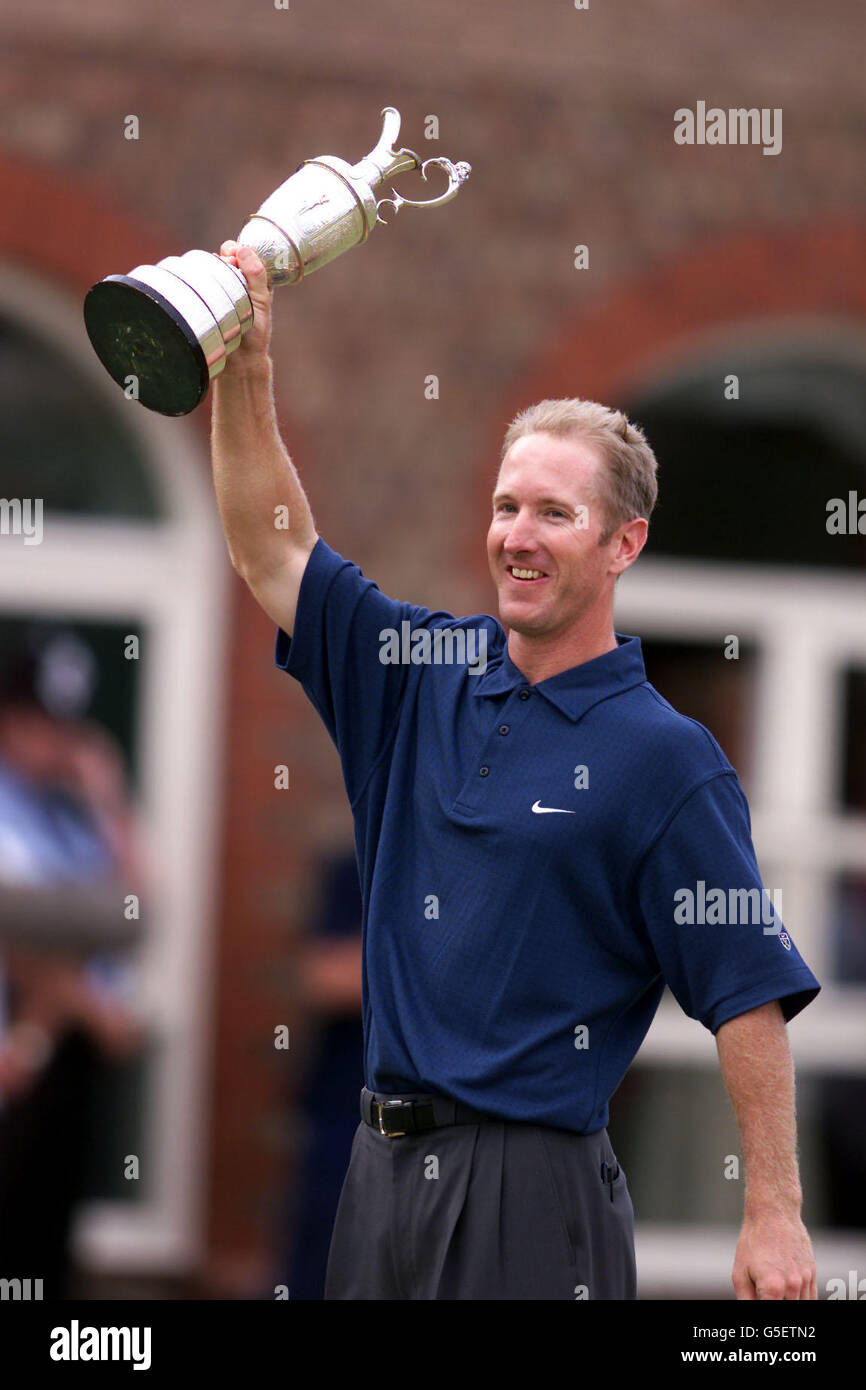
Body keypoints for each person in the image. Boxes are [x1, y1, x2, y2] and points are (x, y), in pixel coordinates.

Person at [210, 240, 821, 1301]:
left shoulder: (664, 758)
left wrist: (772, 1212)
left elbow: (745, 999)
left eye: (552, 512)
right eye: (504, 506)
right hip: (376, 1172)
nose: (516, 536)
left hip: (528, 1192)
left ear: (621, 543)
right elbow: (273, 551)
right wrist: (243, 372)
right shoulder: (417, 674)